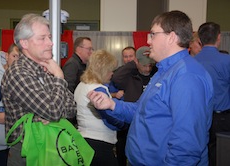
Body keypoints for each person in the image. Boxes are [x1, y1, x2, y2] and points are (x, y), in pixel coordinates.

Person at [88, 10, 214, 165]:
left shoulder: (187, 76)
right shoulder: (164, 71)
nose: (148, 40)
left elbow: (186, 145)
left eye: (153, 34)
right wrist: (112, 105)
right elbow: (142, 111)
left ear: (171, 37)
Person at [1, 13, 77, 166]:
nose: (50, 43)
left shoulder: (47, 67)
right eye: (42, 38)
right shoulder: (18, 73)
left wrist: (50, 113)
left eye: (49, 37)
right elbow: (54, 111)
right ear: (25, 43)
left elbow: (72, 108)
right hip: (26, 152)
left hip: (51, 146)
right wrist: (58, 77)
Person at [74, 49, 128, 166]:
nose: (112, 73)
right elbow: (110, 119)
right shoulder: (99, 89)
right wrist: (125, 124)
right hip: (99, 143)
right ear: (103, 70)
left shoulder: (82, 85)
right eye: (110, 70)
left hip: (83, 139)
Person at [111, 46, 157, 166]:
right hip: (131, 120)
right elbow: (116, 77)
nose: (147, 68)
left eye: (150, 65)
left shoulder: (157, 75)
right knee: (123, 149)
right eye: (144, 65)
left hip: (151, 122)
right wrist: (133, 63)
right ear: (137, 62)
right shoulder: (130, 76)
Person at [194, 22, 230, 166]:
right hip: (222, 118)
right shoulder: (227, 60)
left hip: (198, 117)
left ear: (199, 41)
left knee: (201, 152)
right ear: (219, 37)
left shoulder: (191, 62)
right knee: (222, 154)